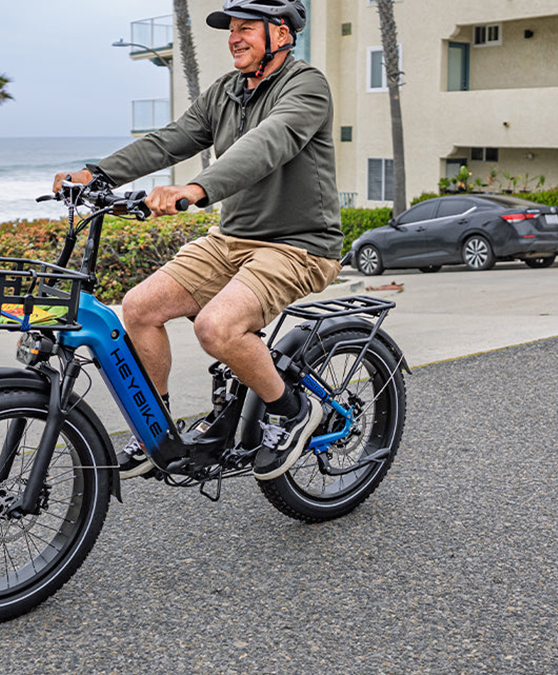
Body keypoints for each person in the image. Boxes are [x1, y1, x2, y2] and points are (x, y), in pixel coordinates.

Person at [52, 0, 342, 481]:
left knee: (217, 329)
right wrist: (97, 172)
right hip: (231, 239)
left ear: (283, 36)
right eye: (232, 29)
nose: (234, 37)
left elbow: (269, 142)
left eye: (247, 28)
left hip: (298, 246)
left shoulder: (306, 85)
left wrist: (197, 188)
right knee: (139, 308)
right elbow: (170, 139)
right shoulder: (226, 91)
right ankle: (158, 432)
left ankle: (292, 411)